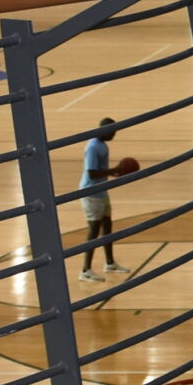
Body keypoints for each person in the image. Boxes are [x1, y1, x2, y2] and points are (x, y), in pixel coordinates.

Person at [78, 117, 118, 282]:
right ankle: (85, 270)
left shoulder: (102, 144)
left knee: (107, 224)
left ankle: (109, 263)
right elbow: (92, 173)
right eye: (112, 131)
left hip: (101, 191)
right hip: (91, 193)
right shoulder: (93, 147)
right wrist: (113, 170)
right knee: (94, 230)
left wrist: (111, 172)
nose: (114, 134)